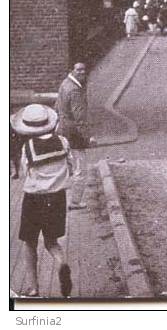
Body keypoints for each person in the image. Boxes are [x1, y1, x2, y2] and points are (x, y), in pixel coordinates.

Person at [11, 104, 76, 297]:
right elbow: (70, 166)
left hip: (34, 200)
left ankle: (33, 288)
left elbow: (25, 173)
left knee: (30, 242)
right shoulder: (63, 142)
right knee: (51, 242)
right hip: (57, 199)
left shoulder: (28, 148)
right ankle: (61, 262)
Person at [54, 62, 90, 210]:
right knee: (80, 167)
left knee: (66, 164)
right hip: (74, 132)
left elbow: (57, 105)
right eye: (78, 70)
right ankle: (75, 202)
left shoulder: (65, 83)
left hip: (62, 129)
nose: (82, 72)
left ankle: (60, 195)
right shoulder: (75, 90)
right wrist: (87, 136)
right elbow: (79, 116)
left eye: (83, 69)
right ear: (72, 70)